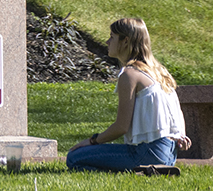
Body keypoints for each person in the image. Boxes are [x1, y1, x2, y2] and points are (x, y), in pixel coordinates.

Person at [66, 17, 191, 174]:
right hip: (169, 155)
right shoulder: (158, 72)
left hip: (147, 152)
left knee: (74, 157)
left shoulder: (130, 75)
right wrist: (180, 135)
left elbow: (121, 127)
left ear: (125, 41)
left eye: (112, 37)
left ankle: (142, 170)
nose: (107, 41)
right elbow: (178, 112)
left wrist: (92, 141)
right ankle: (152, 170)